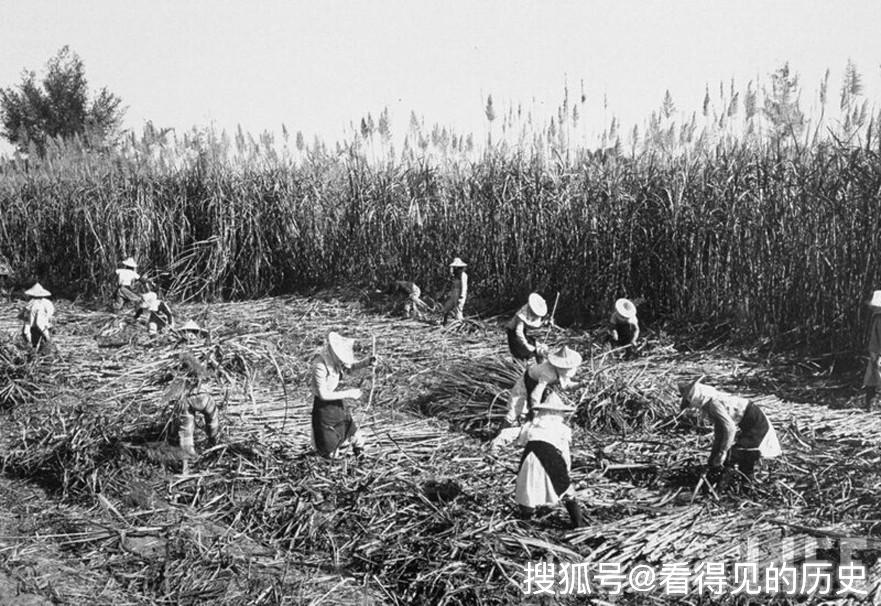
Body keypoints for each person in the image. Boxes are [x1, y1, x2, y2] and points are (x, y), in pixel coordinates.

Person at [678, 378, 781, 482]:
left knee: (733, 455)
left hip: (756, 423)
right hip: (750, 423)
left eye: (690, 400)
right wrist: (714, 456)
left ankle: (723, 486)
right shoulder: (711, 404)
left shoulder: (714, 404)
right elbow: (720, 432)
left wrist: (723, 452)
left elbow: (730, 428)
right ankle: (747, 483)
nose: (692, 406)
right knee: (742, 456)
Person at [513, 392, 584, 528]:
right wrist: (566, 471)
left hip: (529, 457)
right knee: (566, 488)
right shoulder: (563, 429)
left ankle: (525, 523)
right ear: (559, 413)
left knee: (528, 488)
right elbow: (565, 453)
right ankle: (578, 524)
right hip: (551, 457)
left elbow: (521, 442)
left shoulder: (530, 426)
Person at [310, 331, 377, 459]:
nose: (342, 361)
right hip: (323, 408)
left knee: (352, 431)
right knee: (329, 447)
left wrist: (367, 362)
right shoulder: (320, 365)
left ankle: (360, 453)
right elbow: (323, 394)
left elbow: (349, 367)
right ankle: (332, 459)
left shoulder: (336, 361)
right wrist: (349, 394)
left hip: (337, 403)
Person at [504, 345, 582, 427]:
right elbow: (536, 394)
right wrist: (535, 410)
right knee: (516, 408)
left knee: (544, 410)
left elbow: (566, 386)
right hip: (527, 382)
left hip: (542, 386)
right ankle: (501, 432)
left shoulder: (563, 371)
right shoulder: (548, 372)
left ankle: (529, 427)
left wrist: (580, 384)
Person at [169, 352, 219, 458]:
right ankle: (214, 443)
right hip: (205, 397)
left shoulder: (180, 364)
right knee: (213, 421)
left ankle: (188, 457)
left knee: (186, 429)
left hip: (187, 399)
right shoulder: (207, 357)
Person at [506, 293, 548, 362]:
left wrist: (547, 323)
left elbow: (535, 324)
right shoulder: (522, 314)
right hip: (513, 334)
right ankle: (519, 367)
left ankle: (539, 364)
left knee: (534, 345)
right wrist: (526, 344)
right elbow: (518, 332)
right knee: (520, 352)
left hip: (523, 331)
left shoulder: (532, 313)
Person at [21, 283, 55, 352]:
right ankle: (30, 344)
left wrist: (47, 318)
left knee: (39, 325)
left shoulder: (46, 303)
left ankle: (48, 340)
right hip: (32, 322)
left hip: (41, 322)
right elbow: (25, 313)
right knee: (25, 331)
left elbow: (49, 314)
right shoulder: (31, 302)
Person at [864, 290, 881, 411]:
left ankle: (870, 406)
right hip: (876, 353)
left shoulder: (879, 319)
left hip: (878, 354)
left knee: (873, 378)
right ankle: (870, 406)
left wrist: (875, 356)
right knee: (871, 379)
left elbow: (876, 339)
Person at [441, 258, 468, 324]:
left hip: (459, 294)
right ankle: (444, 323)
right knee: (446, 307)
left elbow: (464, 286)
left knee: (458, 310)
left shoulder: (463, 275)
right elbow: (451, 285)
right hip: (454, 293)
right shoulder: (455, 276)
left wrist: (461, 296)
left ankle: (460, 324)